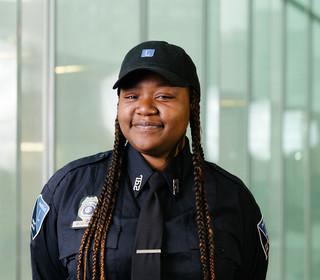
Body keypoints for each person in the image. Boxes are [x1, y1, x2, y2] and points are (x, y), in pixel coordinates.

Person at [30, 41, 269, 280]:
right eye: (132, 96)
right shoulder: (67, 190)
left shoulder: (233, 199)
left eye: (164, 96)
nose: (144, 108)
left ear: (192, 105)